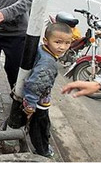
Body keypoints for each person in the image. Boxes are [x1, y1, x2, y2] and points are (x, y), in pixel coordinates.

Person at [23, 22, 73, 157]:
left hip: (37, 100)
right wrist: (30, 105)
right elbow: (35, 85)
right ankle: (42, 151)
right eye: (58, 42)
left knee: (41, 125)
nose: (63, 47)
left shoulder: (43, 50)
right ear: (46, 40)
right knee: (40, 128)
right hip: (39, 103)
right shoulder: (48, 62)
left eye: (67, 43)